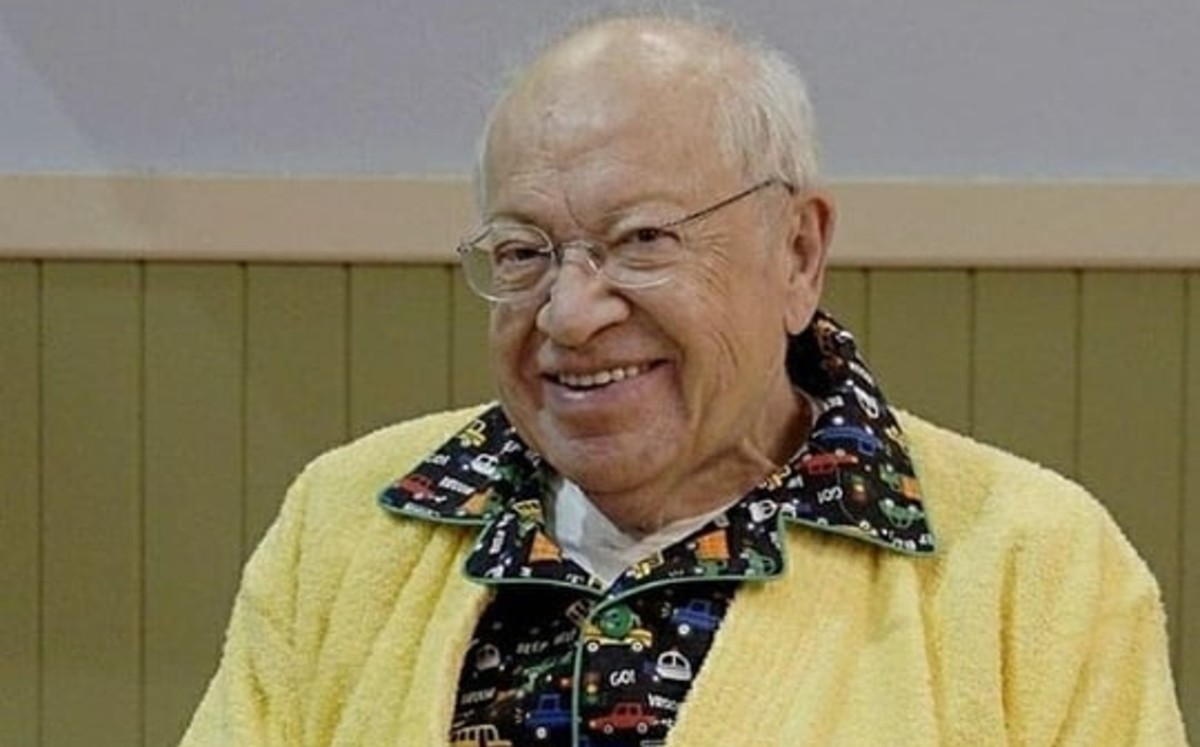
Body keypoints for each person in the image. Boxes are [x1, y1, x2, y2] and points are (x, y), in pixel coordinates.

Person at [181, 11, 1188, 747]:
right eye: (524, 252)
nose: (570, 314)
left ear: (797, 252)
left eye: (643, 241)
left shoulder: (1033, 568)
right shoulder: (351, 522)